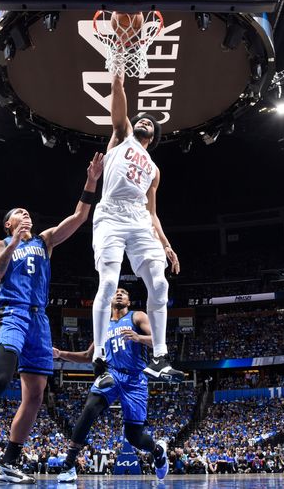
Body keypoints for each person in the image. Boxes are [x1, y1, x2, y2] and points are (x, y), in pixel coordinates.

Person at [0, 153, 103, 483]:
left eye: (27, 212)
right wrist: (14, 242)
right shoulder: (0, 243)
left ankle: (7, 462)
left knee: (36, 395)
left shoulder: (45, 241)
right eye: (19, 213)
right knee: (0, 379)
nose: (26, 213)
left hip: (39, 321)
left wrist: (91, 181)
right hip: (12, 313)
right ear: (9, 224)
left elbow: (79, 216)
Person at [90, 26, 183, 384]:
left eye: (150, 123)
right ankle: (99, 353)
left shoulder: (154, 169)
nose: (144, 121)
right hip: (111, 214)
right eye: (142, 118)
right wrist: (119, 58)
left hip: (139, 222)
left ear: (154, 138)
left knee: (159, 285)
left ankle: (159, 356)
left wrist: (167, 244)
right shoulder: (121, 135)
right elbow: (118, 93)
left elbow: (153, 213)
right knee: (109, 282)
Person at [52, 288, 169, 483]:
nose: (119, 293)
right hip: (112, 374)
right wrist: (60, 354)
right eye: (116, 291)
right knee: (90, 408)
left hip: (135, 379)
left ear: (129, 301)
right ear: (110, 300)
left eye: (124, 292)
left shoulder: (137, 316)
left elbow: (159, 340)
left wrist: (139, 337)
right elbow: (89, 356)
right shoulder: (104, 324)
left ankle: (157, 450)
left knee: (134, 437)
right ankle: (69, 464)